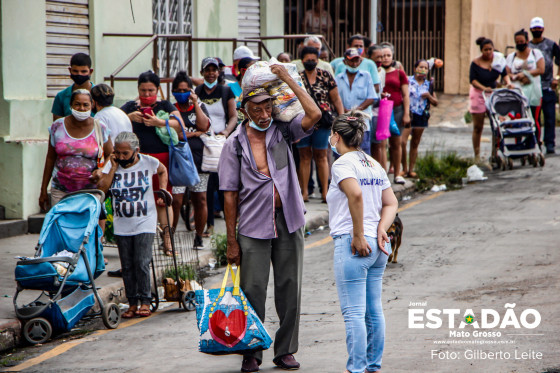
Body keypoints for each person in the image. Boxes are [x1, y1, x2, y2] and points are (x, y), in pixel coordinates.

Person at [218, 65, 321, 372]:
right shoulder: (233, 145)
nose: (263, 115)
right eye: (256, 110)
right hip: (252, 228)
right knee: (252, 290)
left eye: (267, 108)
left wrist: (288, 79)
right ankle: (252, 351)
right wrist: (232, 242)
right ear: (244, 111)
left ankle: (285, 350)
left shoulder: (284, 131)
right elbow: (229, 196)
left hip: (288, 220)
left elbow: (314, 115)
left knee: (290, 289)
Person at [326, 110, 398, 373]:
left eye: (331, 135)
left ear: (336, 136)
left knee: (355, 313)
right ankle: (372, 365)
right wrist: (381, 229)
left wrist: (357, 234)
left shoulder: (342, 164)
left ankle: (356, 368)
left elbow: (355, 194)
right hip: (378, 245)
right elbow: (391, 202)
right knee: (373, 310)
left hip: (355, 243)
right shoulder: (372, 163)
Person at [97, 132, 169, 318]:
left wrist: (161, 189)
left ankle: (145, 301)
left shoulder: (148, 162)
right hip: (122, 224)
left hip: (145, 221)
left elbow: (162, 170)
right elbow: (102, 189)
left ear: (136, 151)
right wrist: (112, 168)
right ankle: (132, 303)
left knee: (141, 263)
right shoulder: (113, 165)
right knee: (127, 266)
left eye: (125, 154)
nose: (121, 157)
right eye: (117, 153)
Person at [120, 71, 185, 254]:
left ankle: (168, 242)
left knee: (163, 201)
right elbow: (114, 119)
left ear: (158, 89)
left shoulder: (164, 105)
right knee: (137, 201)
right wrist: (129, 118)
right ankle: (139, 245)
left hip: (161, 161)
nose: (147, 95)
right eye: (143, 90)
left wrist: (159, 121)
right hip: (136, 162)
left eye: (150, 90)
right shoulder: (130, 106)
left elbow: (179, 124)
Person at [39, 89, 113, 210]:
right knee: (61, 226)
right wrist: (43, 190)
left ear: (92, 105)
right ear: (71, 105)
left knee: (86, 227)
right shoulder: (57, 126)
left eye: (85, 105)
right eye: (77, 104)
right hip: (61, 190)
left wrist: (102, 170)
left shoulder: (100, 127)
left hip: (91, 191)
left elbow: (111, 154)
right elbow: (50, 158)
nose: (81, 108)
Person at [195, 57, 237, 237]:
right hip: (205, 141)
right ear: (202, 72)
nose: (211, 73)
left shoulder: (226, 91)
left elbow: (234, 116)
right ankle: (209, 225)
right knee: (208, 184)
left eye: (214, 70)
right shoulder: (197, 91)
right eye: (207, 70)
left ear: (219, 72)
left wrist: (226, 133)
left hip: (222, 142)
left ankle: (231, 224)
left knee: (223, 183)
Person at [298, 46, 344, 202]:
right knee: (304, 156)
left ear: (317, 60)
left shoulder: (326, 76)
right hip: (304, 121)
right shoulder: (298, 78)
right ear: (302, 60)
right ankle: (304, 192)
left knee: (322, 156)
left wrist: (341, 118)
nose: (311, 62)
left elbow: (336, 99)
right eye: (307, 60)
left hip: (323, 121)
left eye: (313, 59)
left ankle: (325, 192)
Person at [171, 71, 211, 249]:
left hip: (199, 160)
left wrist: (195, 103)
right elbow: (175, 134)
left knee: (200, 199)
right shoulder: (171, 109)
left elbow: (205, 126)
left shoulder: (199, 106)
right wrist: (194, 133)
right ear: (173, 91)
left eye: (186, 90)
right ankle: (169, 236)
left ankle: (199, 236)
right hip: (178, 162)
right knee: (176, 200)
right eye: (179, 90)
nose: (182, 93)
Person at [469, 37, 511, 161]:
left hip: (493, 92)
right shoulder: (475, 63)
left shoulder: (498, 59)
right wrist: (483, 88)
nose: (488, 52)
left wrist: (508, 83)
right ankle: (477, 155)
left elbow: (504, 74)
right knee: (478, 126)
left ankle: (495, 152)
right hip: (479, 93)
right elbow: (472, 80)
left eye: (490, 49)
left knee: (496, 124)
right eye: (485, 50)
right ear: (481, 50)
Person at [506, 29, 545, 142]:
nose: (519, 44)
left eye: (522, 41)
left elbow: (541, 69)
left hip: (534, 93)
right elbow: (507, 73)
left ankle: (535, 143)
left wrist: (525, 74)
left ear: (527, 41)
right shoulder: (511, 57)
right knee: (518, 119)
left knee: (534, 118)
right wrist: (514, 77)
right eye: (517, 42)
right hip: (518, 93)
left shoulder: (535, 53)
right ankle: (519, 144)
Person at [335, 48, 376, 156]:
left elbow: (371, 97)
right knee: (343, 154)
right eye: (351, 60)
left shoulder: (366, 76)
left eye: (356, 60)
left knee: (363, 154)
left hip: (362, 123)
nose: (354, 63)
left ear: (360, 61)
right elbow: (334, 98)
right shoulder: (338, 78)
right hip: (343, 123)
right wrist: (343, 110)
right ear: (345, 61)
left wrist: (356, 110)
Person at [401, 60, 438, 177]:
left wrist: (428, 96)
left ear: (428, 71)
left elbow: (435, 102)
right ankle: (404, 168)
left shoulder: (429, 84)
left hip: (421, 115)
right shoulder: (408, 81)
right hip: (408, 114)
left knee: (415, 142)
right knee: (402, 141)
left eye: (425, 68)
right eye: (420, 67)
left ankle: (411, 169)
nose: (423, 70)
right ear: (415, 68)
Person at [529, 17, 560, 154]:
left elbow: (559, 61)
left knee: (549, 116)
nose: (537, 30)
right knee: (533, 117)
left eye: (539, 28)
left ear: (543, 29)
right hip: (531, 87)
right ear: (531, 30)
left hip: (547, 85)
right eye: (535, 28)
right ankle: (534, 142)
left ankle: (550, 143)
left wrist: (557, 78)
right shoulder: (527, 46)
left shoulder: (551, 44)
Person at [381, 45, 409, 184]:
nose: (385, 58)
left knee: (396, 143)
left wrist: (406, 113)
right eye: (383, 55)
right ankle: (383, 173)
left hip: (397, 110)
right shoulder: (377, 72)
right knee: (381, 143)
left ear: (392, 56)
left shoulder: (399, 73)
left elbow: (405, 94)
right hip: (381, 110)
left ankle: (397, 173)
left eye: (388, 55)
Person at [51, 53, 94, 121]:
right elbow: (57, 126)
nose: (79, 74)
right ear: (70, 70)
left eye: (83, 71)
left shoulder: (100, 95)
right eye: (75, 71)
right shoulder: (61, 96)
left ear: (90, 72)